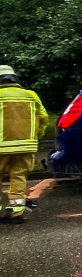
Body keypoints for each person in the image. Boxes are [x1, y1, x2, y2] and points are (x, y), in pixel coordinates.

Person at [0, 65, 48, 224]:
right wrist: (37, 136)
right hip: (25, 146)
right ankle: (17, 214)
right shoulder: (31, 95)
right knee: (19, 177)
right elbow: (43, 118)